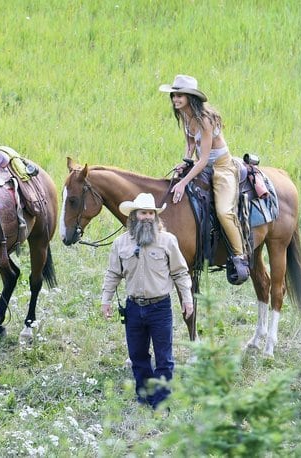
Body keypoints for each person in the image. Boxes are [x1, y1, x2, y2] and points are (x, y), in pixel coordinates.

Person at [101, 192, 193, 410]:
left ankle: (161, 402)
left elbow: (180, 273)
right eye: (143, 213)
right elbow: (113, 273)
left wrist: (187, 300)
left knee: (164, 358)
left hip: (160, 307)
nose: (148, 217)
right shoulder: (120, 243)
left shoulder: (168, 241)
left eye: (151, 213)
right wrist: (105, 300)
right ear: (134, 216)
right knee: (138, 356)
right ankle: (144, 396)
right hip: (133, 307)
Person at [159, 74, 249, 283]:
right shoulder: (185, 116)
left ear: (191, 97)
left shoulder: (205, 120)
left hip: (221, 167)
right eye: (174, 96)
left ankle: (239, 255)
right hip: (203, 165)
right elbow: (191, 144)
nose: (176, 100)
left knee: (224, 211)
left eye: (180, 96)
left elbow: (205, 159)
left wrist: (183, 182)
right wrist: (185, 160)